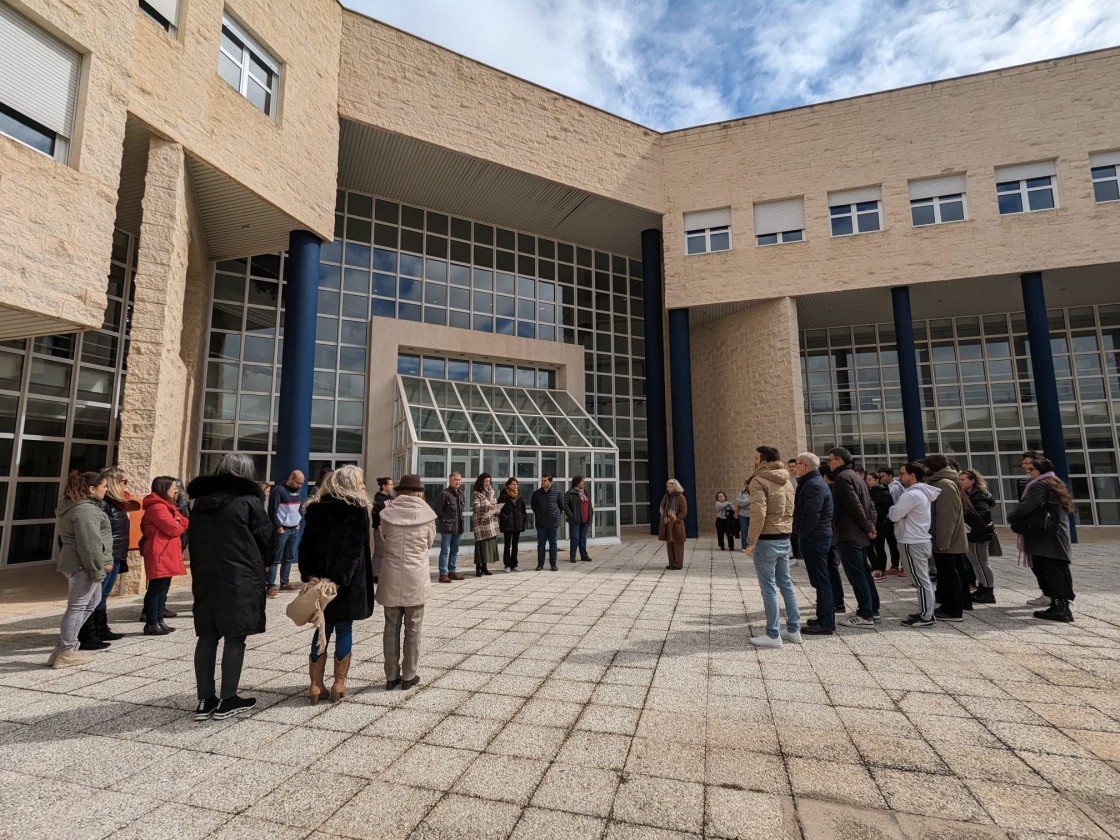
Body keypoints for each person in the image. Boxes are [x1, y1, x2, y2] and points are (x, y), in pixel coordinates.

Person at [187, 453, 273, 722]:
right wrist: (265, 564)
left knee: (208, 635)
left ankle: (204, 699)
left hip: (206, 575)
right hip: (240, 576)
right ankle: (228, 698)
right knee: (235, 636)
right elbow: (265, 537)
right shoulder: (249, 502)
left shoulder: (199, 503)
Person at [299, 465, 375, 703]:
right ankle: (339, 684)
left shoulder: (315, 508)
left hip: (319, 579)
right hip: (347, 582)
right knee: (344, 628)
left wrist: (310, 574)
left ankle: (314, 685)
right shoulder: (357, 508)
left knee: (322, 628)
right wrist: (339, 580)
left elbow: (305, 545)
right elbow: (353, 550)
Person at [47, 471, 113, 669]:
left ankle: (64, 647)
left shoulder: (80, 507)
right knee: (78, 606)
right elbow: (89, 544)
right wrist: (96, 569)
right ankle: (66, 650)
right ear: (92, 489)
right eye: (104, 486)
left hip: (79, 562)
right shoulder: (85, 511)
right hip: (83, 564)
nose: (107, 490)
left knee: (91, 602)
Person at [377, 473, 436, 690]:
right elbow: (429, 543)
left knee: (390, 626)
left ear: (399, 491)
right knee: (413, 627)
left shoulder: (387, 514)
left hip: (391, 574)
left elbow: (383, 538)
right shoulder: (427, 516)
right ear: (419, 492)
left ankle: (391, 676)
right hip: (416, 576)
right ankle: (409, 675)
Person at [1007, 457, 1076, 622]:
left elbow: (1027, 506)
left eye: (1032, 470)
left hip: (1044, 536)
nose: (1029, 472)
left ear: (1041, 470)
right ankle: (1058, 605)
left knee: (1049, 569)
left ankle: (1061, 608)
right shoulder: (1054, 482)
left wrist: (1011, 517)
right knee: (1056, 568)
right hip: (1054, 534)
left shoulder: (1039, 484)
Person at [744, 447, 800, 647]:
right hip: (784, 536)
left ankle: (773, 634)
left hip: (767, 538)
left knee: (768, 587)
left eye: (756, 458)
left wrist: (751, 541)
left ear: (764, 461)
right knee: (785, 584)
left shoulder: (758, 481)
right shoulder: (787, 481)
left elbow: (758, 513)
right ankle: (794, 630)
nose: (754, 461)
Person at [826, 447, 880, 629]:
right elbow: (870, 506)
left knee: (857, 575)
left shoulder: (842, 478)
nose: (828, 463)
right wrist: (871, 525)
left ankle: (865, 614)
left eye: (830, 460)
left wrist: (867, 526)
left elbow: (854, 504)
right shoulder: (857, 477)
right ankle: (873, 609)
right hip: (860, 533)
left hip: (849, 533)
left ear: (840, 460)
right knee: (864, 572)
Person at [85, 467, 138, 646]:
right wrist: (105, 556)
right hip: (107, 556)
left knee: (103, 594)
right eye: (124, 482)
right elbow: (99, 533)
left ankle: (101, 629)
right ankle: (90, 633)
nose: (126, 486)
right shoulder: (103, 503)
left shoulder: (117, 503)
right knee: (95, 595)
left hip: (116, 555)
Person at [889, 462, 940, 627]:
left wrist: (893, 511)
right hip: (919, 540)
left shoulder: (912, 494)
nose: (900, 476)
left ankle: (926, 616)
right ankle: (926, 612)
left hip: (912, 541)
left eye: (903, 473)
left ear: (912, 475)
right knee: (923, 579)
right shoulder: (921, 492)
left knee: (921, 581)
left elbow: (894, 515)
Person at [923, 453, 970, 622]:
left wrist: (943, 542)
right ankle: (950, 605)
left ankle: (953, 610)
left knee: (950, 575)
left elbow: (946, 516)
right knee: (946, 574)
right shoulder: (941, 482)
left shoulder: (945, 484)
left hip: (948, 540)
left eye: (926, 467)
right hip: (946, 539)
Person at [140, 476, 189, 636]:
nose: (176, 490)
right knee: (156, 588)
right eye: (173, 487)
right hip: (159, 551)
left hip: (167, 551)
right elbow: (173, 528)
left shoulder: (168, 506)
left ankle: (160, 619)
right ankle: (152, 622)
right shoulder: (157, 508)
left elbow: (183, 521)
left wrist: (179, 522)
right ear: (163, 488)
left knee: (163, 587)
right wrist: (179, 523)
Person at [792, 453, 835, 636]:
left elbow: (812, 514)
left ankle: (826, 622)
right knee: (819, 581)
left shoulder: (814, 485)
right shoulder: (810, 483)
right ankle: (822, 617)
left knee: (822, 581)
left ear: (805, 466)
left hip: (815, 537)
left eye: (797, 463)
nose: (795, 467)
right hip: (815, 536)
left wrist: (802, 533)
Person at [959, 468, 996, 604]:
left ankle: (988, 591)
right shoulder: (967, 495)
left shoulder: (979, 496)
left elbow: (983, 514)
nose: (960, 482)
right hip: (973, 532)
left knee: (982, 562)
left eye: (963, 479)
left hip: (980, 534)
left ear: (972, 481)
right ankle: (982, 586)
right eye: (959, 479)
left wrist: (969, 518)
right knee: (975, 563)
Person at [266, 470, 305, 597]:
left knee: (289, 557)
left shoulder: (298, 491)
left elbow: (299, 507)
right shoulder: (278, 491)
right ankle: (270, 585)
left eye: (302, 483)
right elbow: (272, 510)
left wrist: (298, 521)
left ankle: (284, 582)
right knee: (276, 558)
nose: (300, 486)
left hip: (294, 528)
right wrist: (278, 527)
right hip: (282, 529)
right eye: (298, 482)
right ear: (291, 478)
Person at [433, 473, 465, 583]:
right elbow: (437, 511)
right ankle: (443, 574)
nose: (458, 482)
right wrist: (444, 520)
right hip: (447, 527)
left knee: (455, 551)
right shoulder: (444, 494)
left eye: (459, 480)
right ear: (450, 481)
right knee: (445, 551)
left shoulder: (460, 494)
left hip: (458, 527)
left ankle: (452, 571)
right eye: (455, 480)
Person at [531, 474, 563, 571]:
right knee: (541, 544)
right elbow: (534, 506)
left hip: (553, 523)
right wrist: (540, 514)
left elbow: (561, 507)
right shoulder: (536, 493)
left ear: (550, 482)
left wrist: (555, 514)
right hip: (541, 523)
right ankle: (540, 564)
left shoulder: (557, 493)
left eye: (545, 481)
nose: (542, 482)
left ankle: (553, 564)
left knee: (553, 544)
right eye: (542, 480)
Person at [471, 473, 500, 576]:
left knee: (488, 546)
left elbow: (494, 503)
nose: (487, 483)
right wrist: (488, 507)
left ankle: (485, 567)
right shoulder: (476, 493)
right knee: (480, 546)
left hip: (490, 522)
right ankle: (478, 568)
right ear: (481, 481)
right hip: (481, 523)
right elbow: (476, 508)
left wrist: (496, 509)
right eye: (485, 481)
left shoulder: (492, 492)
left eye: (489, 481)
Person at [866, 471, 893, 579]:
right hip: (870, 523)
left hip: (880, 523)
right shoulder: (868, 491)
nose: (868, 482)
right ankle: (875, 567)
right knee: (869, 547)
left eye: (870, 480)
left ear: (877, 480)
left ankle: (881, 569)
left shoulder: (884, 492)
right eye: (867, 480)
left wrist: (872, 511)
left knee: (879, 547)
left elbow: (886, 509)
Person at [877, 467, 904, 575]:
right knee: (891, 543)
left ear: (891, 476)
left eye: (883, 476)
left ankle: (903, 566)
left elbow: (896, 503)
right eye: (880, 476)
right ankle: (894, 565)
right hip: (888, 518)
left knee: (897, 543)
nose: (881, 478)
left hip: (895, 518)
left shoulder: (896, 487)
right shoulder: (885, 486)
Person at [498, 477, 527, 571]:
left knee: (515, 545)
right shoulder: (503, 496)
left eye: (516, 484)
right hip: (507, 524)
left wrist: (523, 518)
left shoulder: (519, 496)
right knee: (507, 545)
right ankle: (507, 565)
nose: (515, 486)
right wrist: (505, 518)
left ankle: (514, 564)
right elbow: (499, 509)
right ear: (508, 485)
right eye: (513, 484)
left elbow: (523, 509)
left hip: (517, 523)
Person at [658, 479, 688, 570]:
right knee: (669, 544)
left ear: (675, 487)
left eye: (669, 486)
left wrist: (677, 519)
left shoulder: (680, 497)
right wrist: (665, 517)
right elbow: (663, 509)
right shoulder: (666, 497)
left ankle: (678, 564)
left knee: (678, 544)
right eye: (667, 486)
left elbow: (684, 511)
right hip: (667, 523)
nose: (668, 488)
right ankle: (671, 563)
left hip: (676, 524)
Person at [563, 475, 594, 563]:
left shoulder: (585, 492)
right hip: (575, 520)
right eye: (582, 481)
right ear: (577, 483)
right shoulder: (570, 492)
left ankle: (584, 555)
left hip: (585, 519)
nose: (583, 483)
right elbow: (565, 505)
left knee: (582, 538)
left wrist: (591, 514)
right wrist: (571, 515)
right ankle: (572, 556)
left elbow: (589, 504)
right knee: (575, 538)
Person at [372, 476, 394, 581]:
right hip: (380, 528)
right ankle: (375, 574)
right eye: (390, 484)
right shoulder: (378, 498)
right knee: (379, 551)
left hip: (389, 529)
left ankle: (383, 573)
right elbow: (376, 514)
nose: (392, 486)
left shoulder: (391, 498)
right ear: (383, 486)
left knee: (387, 552)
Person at [787, 459, 802, 561]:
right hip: (791, 508)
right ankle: (796, 553)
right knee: (793, 533)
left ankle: (801, 553)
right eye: (790, 467)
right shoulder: (787, 480)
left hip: (800, 507)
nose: (792, 468)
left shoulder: (801, 479)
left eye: (793, 466)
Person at [735, 480, 751, 552]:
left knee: (753, 531)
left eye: (749, 484)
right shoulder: (741, 493)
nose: (747, 486)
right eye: (746, 484)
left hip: (752, 514)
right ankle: (744, 547)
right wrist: (749, 500)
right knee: (744, 530)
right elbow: (740, 503)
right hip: (743, 514)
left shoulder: (755, 493)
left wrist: (744, 503)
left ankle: (752, 547)